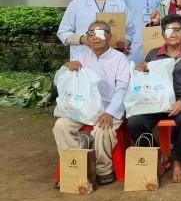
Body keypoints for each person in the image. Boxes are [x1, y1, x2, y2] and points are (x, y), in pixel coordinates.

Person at [53, 20, 131, 187]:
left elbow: (122, 89)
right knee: (61, 125)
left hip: (109, 107)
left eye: (101, 33)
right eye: (91, 34)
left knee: (103, 130)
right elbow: (64, 82)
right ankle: (76, 165)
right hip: (84, 109)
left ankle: (103, 169)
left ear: (109, 36)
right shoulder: (80, 58)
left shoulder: (120, 59)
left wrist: (110, 112)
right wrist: (67, 67)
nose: (95, 37)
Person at [129, 14, 181, 183]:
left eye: (177, 29)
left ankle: (177, 160)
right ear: (163, 34)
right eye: (168, 30)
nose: (173, 33)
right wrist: (142, 70)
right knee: (134, 122)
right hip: (158, 101)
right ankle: (159, 154)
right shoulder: (154, 54)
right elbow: (146, 82)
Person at [58, 0, 133, 59]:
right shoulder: (76, 4)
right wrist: (83, 39)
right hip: (82, 57)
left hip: (112, 58)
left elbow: (130, 30)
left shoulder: (119, 4)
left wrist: (124, 43)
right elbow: (63, 32)